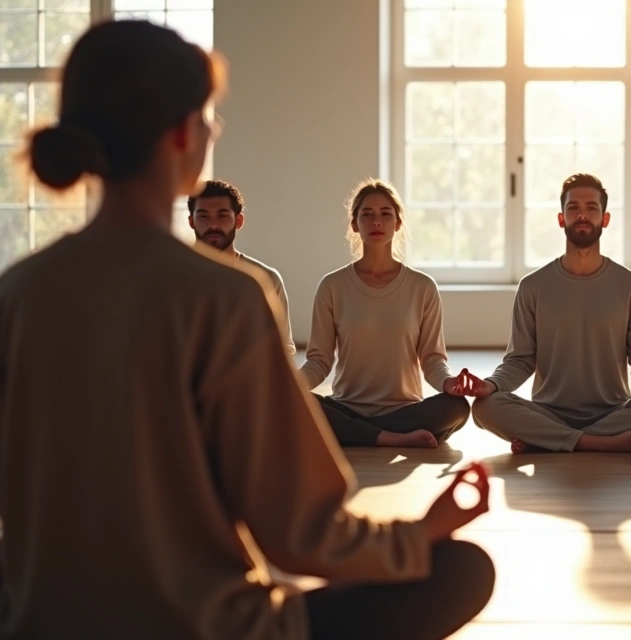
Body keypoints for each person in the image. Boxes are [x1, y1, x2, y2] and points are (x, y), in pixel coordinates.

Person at [0, 20, 494, 640]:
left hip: (41, 623)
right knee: (463, 570)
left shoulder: (20, 290)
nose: (214, 128)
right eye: (209, 115)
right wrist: (419, 533)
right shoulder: (226, 295)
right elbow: (301, 536)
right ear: (183, 133)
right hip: (209, 627)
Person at [463, 173, 631, 454]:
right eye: (573, 208)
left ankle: (551, 440)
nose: (582, 215)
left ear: (605, 219)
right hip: (547, 411)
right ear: (561, 218)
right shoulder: (533, 286)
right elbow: (520, 360)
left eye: (591, 208)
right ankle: (597, 443)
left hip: (613, 413)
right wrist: (490, 385)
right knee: (486, 406)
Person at [299, 179, 473, 448]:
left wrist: (447, 382)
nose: (376, 222)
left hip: (404, 410)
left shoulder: (422, 287)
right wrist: (292, 383)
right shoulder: (332, 286)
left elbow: (431, 358)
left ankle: (360, 435)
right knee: (302, 403)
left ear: (398, 223)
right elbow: (319, 360)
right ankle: (389, 437)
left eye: (385, 214)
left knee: (457, 408)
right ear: (355, 224)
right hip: (347, 407)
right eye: (367, 215)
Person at [188, 178, 296, 353]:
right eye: (203, 216)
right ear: (191, 221)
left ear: (239, 221)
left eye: (222, 215)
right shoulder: (173, 276)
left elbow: (282, 348)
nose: (213, 224)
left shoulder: (265, 279)